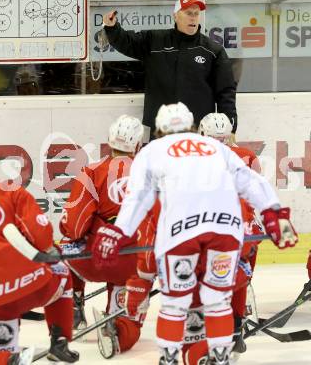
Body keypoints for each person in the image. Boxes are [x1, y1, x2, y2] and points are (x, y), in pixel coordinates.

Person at [91, 102, 298, 365]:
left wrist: (118, 234)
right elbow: (251, 184)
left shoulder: (154, 152)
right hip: (226, 235)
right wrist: (274, 214)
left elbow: (140, 205)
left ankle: (164, 356)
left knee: (175, 303)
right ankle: (219, 352)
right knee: (215, 301)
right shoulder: (218, 150)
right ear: (191, 126)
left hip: (181, 237)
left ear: (159, 131)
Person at [0, 144, 79, 365]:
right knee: (62, 271)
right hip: (35, 285)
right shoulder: (11, 190)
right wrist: (50, 252)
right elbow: (41, 236)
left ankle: (5, 359)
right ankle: (60, 341)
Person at [60, 115, 152, 358]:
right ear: (138, 146)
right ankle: (119, 325)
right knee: (130, 317)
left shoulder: (91, 172)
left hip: (97, 258)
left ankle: (74, 303)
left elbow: (74, 227)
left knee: (66, 245)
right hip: (138, 265)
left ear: (108, 142)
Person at [102, 0, 237, 139]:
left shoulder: (213, 51)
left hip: (196, 133)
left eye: (196, 14)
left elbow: (225, 92)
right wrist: (112, 28)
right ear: (175, 15)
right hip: (159, 131)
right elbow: (127, 42)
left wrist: (231, 128)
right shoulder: (155, 40)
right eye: (188, 13)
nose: (193, 18)